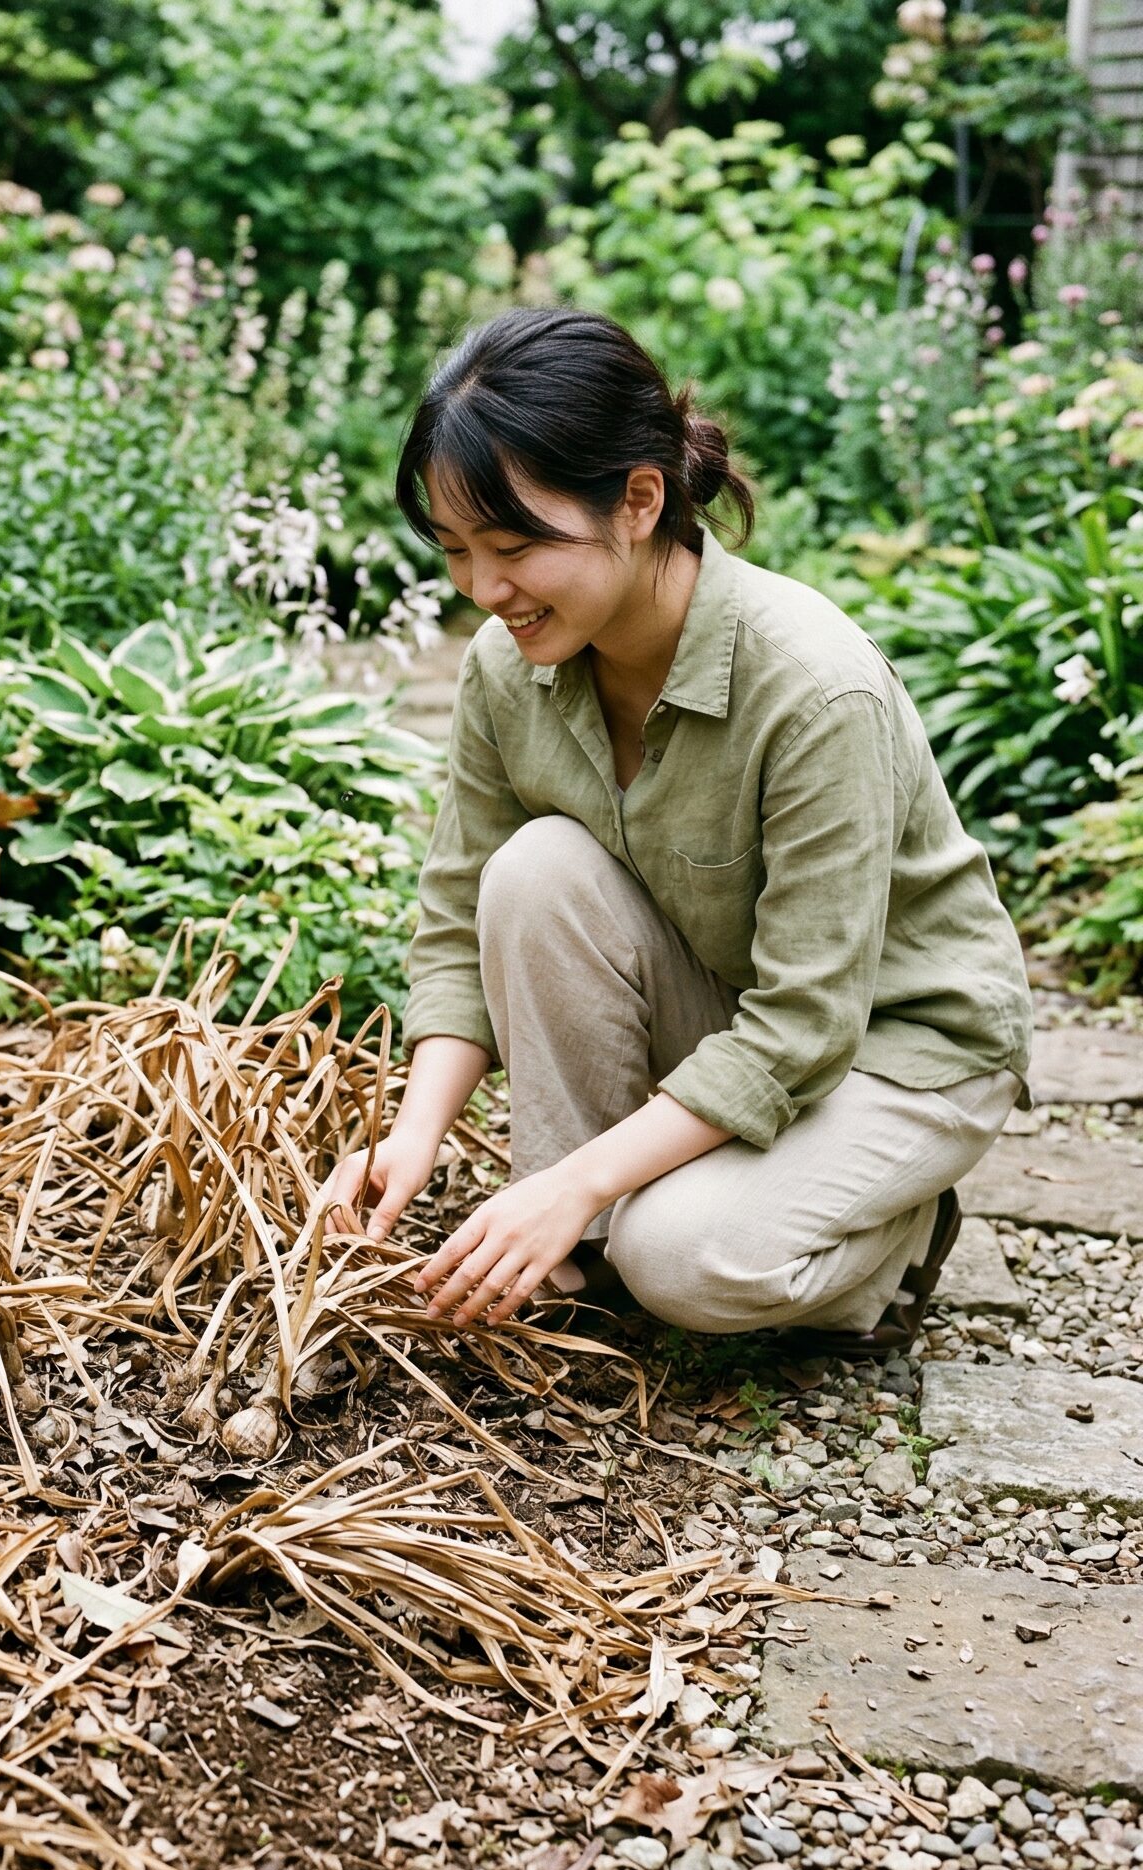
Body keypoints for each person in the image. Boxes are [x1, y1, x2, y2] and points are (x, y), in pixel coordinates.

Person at [319, 307, 1032, 1353]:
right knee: (532, 872)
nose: (482, 589)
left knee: (682, 1258)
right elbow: (457, 913)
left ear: (638, 500)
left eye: (513, 546)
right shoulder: (506, 665)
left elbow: (803, 1026)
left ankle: (888, 1238)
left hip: (898, 1042)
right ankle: (580, 1249)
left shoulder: (810, 687)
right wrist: (408, 1139)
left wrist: (576, 1173)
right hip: (736, 997)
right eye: (456, 550)